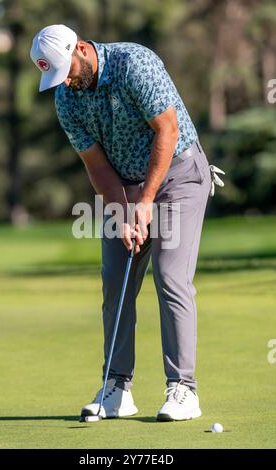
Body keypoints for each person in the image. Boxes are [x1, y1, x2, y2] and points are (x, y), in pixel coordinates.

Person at [30, 24, 224, 422]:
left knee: (170, 279)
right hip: (126, 185)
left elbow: (167, 132)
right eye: (56, 76)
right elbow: (97, 166)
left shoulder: (134, 63)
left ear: (82, 49)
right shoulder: (66, 98)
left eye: (67, 70)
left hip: (179, 176)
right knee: (115, 281)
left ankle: (183, 389)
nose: (64, 81)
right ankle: (117, 387)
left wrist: (147, 201)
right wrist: (122, 214)